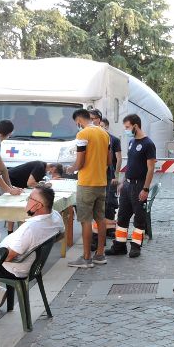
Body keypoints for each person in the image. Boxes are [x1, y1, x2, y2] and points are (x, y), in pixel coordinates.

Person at [0, 184, 64, 312]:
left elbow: (8, 257)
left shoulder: (30, 228)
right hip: (29, 264)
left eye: (30, 198)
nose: (26, 201)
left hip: (14, 267)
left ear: (38, 205)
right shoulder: (55, 216)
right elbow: (61, 234)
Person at [105, 114, 156, 258]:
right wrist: (123, 181)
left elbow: (151, 168)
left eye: (127, 127)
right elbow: (131, 164)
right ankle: (119, 246)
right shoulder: (131, 142)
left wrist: (145, 189)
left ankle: (136, 247)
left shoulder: (148, 144)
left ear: (135, 125)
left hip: (139, 185)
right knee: (122, 217)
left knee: (139, 218)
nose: (126, 130)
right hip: (128, 185)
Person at [67, 109, 110, 268]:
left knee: (85, 220)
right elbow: (108, 160)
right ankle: (100, 254)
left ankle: (86, 258)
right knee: (101, 219)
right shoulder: (104, 133)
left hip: (86, 183)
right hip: (101, 182)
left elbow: (80, 163)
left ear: (78, 119)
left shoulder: (82, 135)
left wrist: (70, 169)